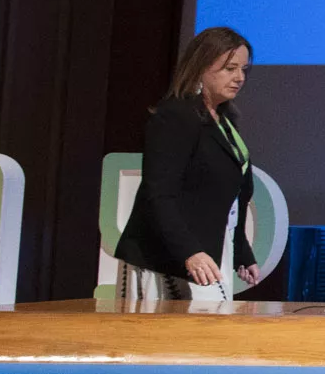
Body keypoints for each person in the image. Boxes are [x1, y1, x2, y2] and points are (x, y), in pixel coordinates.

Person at [113, 28, 263, 306]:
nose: (240, 78)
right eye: (230, 68)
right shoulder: (176, 116)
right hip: (167, 259)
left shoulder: (224, 121)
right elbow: (158, 194)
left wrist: (241, 251)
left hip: (206, 254)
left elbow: (234, 196)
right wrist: (189, 251)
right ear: (201, 67)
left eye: (243, 69)